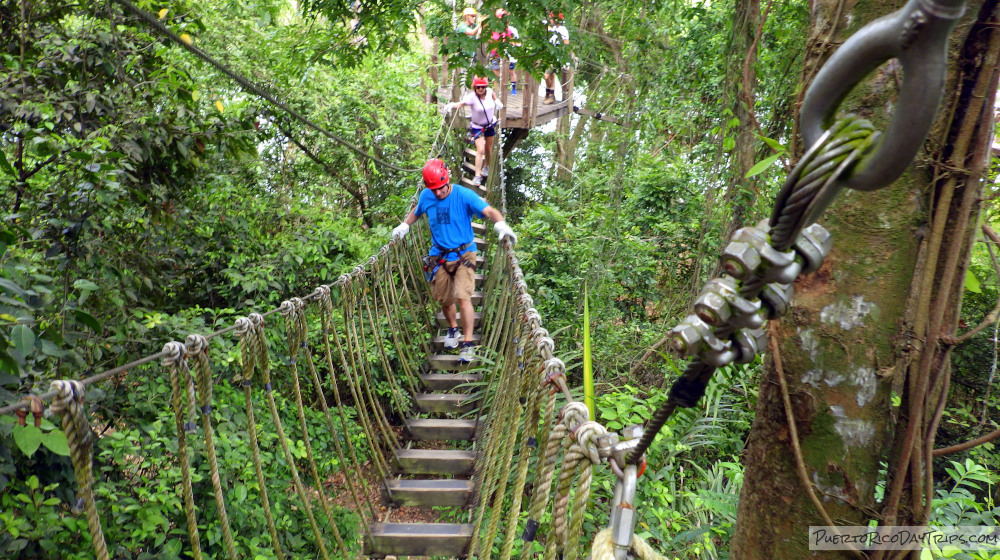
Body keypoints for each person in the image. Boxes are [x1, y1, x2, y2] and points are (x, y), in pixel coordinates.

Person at [391, 159, 518, 363]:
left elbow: (488, 210)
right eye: (433, 190)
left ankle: (467, 343)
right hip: (439, 255)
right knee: (444, 298)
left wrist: (500, 223)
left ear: (447, 181)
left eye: (440, 189)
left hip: (464, 254)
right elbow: (416, 212)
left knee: (463, 297)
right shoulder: (427, 195)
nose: (438, 193)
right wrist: (405, 226)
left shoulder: (464, 195)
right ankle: (452, 329)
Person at [447, 76, 502, 186]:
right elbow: (461, 104)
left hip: (490, 125)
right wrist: (452, 105)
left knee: (488, 148)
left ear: (486, 87)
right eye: (478, 87)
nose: (480, 89)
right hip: (477, 127)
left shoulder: (490, 91)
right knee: (480, 149)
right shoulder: (472, 97)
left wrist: (497, 101)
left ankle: (486, 166)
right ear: (474, 88)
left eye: (482, 87)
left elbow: (493, 96)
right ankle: (477, 175)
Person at [488, 9, 521, 95]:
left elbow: (517, 42)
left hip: (507, 54)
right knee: (495, 73)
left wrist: (508, 43)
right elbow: (489, 41)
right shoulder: (493, 29)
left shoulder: (511, 30)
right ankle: (497, 91)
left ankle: (513, 88)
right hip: (494, 54)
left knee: (511, 71)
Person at [543, 12, 570, 105]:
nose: (550, 20)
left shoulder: (563, 29)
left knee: (547, 75)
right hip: (549, 54)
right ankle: (550, 95)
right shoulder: (554, 28)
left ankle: (550, 94)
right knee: (550, 76)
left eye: (551, 18)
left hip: (556, 55)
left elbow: (566, 43)